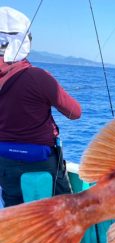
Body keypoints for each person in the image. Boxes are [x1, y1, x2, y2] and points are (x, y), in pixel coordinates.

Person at [0, 7, 81, 207]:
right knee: (60, 215)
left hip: (5, 161)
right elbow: (75, 112)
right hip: (41, 161)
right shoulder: (38, 77)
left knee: (15, 215)